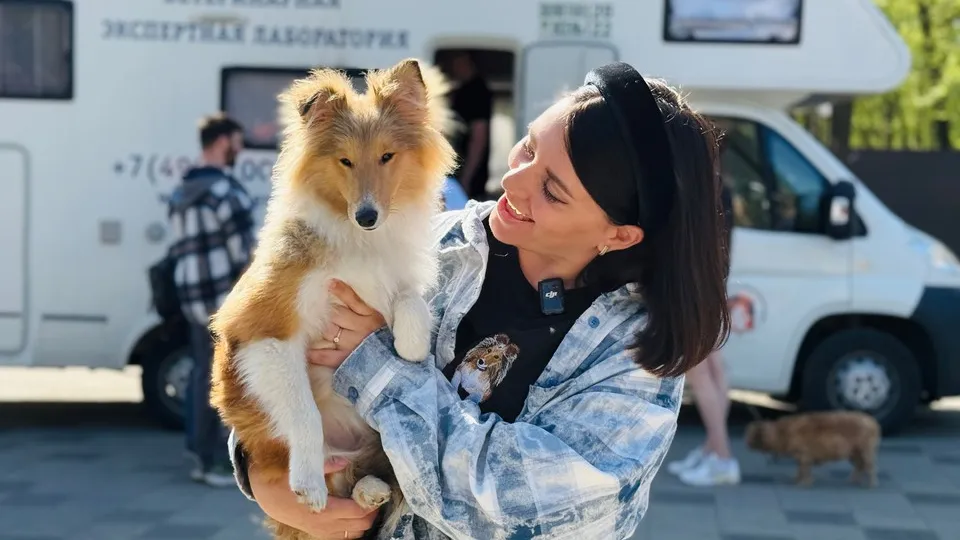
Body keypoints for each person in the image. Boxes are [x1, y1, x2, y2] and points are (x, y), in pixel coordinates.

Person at [227, 62, 731, 539]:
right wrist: (262, 474)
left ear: (618, 236)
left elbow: (532, 510)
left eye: (552, 191)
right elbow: (264, 344)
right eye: (529, 149)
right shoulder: (432, 240)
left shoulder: (633, 358)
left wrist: (374, 365)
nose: (512, 181)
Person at [168, 113, 257, 487]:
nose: (240, 148)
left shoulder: (181, 191)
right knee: (224, 379)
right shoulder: (226, 191)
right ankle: (214, 461)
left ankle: (197, 450)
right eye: (237, 141)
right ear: (223, 142)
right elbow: (247, 255)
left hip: (191, 296)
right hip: (224, 299)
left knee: (201, 376)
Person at [668, 180, 741, 487]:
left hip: (693, 288)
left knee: (700, 374)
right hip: (712, 284)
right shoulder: (722, 188)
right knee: (713, 369)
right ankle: (713, 449)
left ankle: (722, 456)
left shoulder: (690, 187)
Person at [447, 51, 493, 201]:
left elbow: (479, 137)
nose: (453, 66)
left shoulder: (476, 92)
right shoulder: (462, 91)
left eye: (455, 60)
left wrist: (467, 178)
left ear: (466, 61)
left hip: (466, 179)